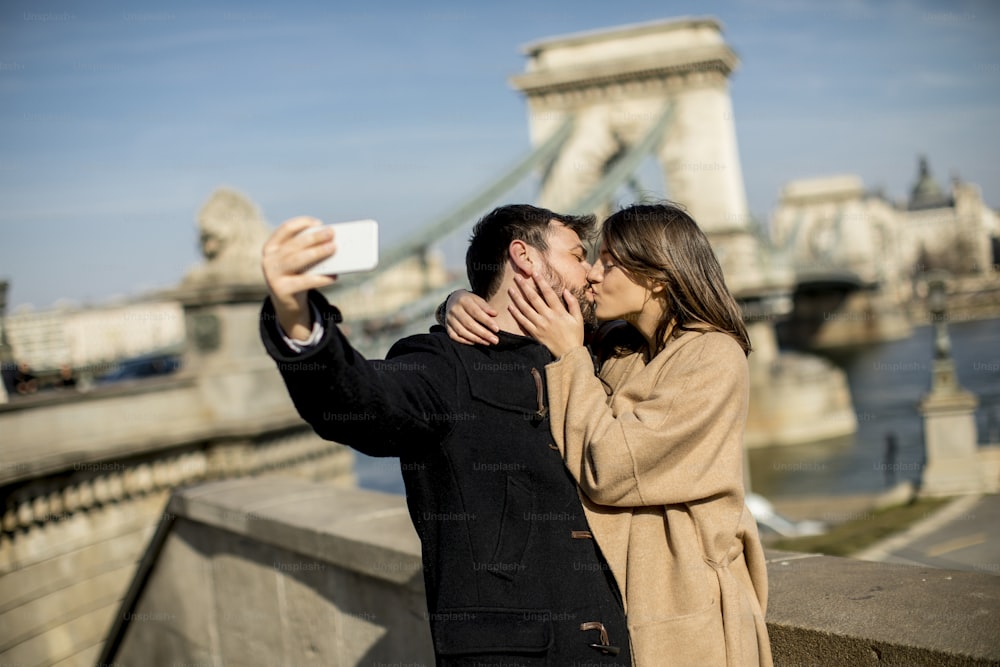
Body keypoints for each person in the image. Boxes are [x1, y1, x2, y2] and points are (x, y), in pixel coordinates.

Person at [259, 204, 632, 665]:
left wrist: (452, 297)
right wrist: (297, 318)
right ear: (526, 258)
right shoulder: (442, 365)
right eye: (578, 256)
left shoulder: (596, 356)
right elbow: (356, 405)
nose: (592, 273)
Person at [444, 203, 772, 667]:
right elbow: (523, 309)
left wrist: (570, 356)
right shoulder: (620, 348)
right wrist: (459, 300)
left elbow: (612, 469)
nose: (593, 274)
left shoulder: (713, 358)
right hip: (622, 605)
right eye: (592, 259)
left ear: (656, 277)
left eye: (610, 263)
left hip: (688, 614)